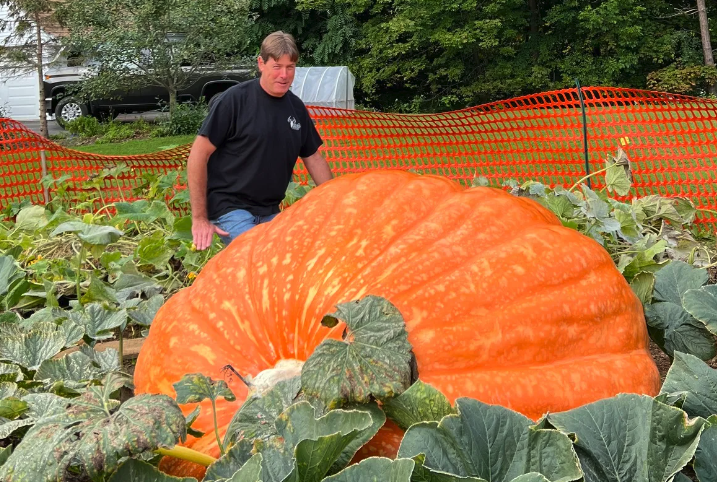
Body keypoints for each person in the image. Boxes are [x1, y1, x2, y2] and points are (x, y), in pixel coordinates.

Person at [187, 31, 333, 250]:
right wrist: (199, 218)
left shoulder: (296, 109)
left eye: (290, 67)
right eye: (277, 66)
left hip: (269, 211)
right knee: (259, 255)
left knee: (295, 255)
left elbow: (314, 158)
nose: (284, 75)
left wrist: (338, 202)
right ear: (261, 63)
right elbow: (198, 154)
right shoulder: (234, 100)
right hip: (229, 207)